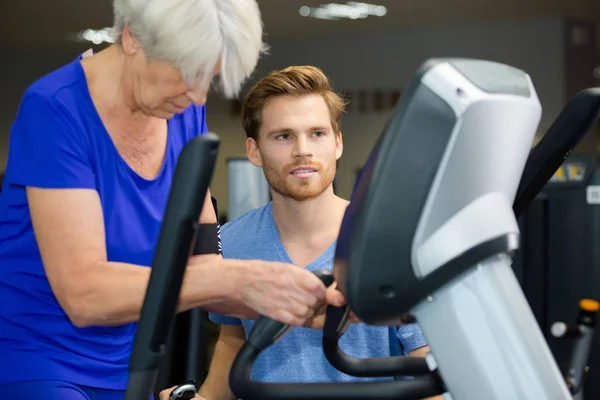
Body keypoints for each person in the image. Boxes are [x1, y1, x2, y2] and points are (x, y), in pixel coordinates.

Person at [0, 2, 346, 399]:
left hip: (129, 356)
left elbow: (204, 254)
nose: (198, 94)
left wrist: (302, 300)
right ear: (131, 37)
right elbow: (85, 294)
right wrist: (239, 279)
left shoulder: (183, 107)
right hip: (39, 359)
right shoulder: (55, 109)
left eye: (209, 77)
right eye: (188, 73)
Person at [159, 65, 438, 400]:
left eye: (317, 134)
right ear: (254, 151)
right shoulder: (231, 242)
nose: (303, 149)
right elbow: (234, 341)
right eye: (284, 136)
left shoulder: (389, 241)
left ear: (337, 143)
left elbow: (427, 367)